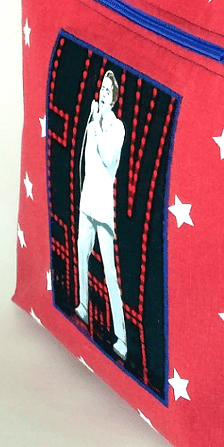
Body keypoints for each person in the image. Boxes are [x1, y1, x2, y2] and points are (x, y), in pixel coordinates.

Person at [75, 71, 128, 360]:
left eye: (109, 90)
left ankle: (122, 337)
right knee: (81, 253)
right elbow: (87, 161)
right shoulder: (93, 123)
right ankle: (82, 305)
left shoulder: (116, 128)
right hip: (87, 202)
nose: (104, 93)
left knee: (109, 270)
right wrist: (92, 124)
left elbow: (109, 158)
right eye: (103, 88)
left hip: (103, 209)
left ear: (115, 98)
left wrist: (96, 125)